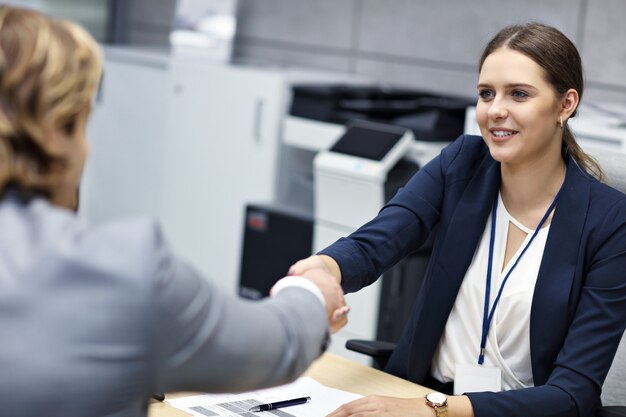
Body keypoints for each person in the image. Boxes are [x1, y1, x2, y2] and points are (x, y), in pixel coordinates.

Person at [0, 5, 349, 417]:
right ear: (55, 133)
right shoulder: (115, 268)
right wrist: (312, 293)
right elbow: (272, 344)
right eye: (83, 123)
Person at [290, 22, 626, 417]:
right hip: (419, 396)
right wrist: (322, 270)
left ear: (566, 105)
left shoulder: (610, 223)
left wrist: (436, 409)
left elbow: (573, 395)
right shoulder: (461, 165)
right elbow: (376, 242)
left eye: (518, 94)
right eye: (486, 94)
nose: (495, 110)